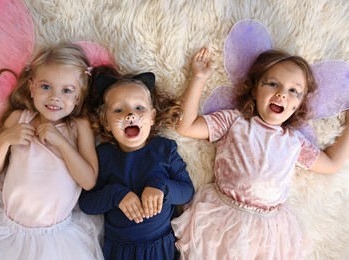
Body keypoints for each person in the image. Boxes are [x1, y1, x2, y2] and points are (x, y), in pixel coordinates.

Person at [171, 48, 349, 259]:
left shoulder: (295, 143)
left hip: (268, 231)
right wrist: (198, 78)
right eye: (273, 84)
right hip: (222, 218)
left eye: (294, 91)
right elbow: (187, 126)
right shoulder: (234, 122)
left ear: (298, 104)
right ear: (255, 89)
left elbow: (331, 163)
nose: (282, 93)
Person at [0, 42, 104, 260]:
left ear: (77, 97)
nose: (55, 97)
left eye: (66, 90)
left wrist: (62, 143)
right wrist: (5, 140)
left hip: (57, 239)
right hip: (7, 231)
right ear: (32, 87)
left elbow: (88, 181)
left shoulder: (78, 127)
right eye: (46, 87)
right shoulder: (19, 119)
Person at [79, 66, 195, 260]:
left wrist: (162, 187)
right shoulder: (103, 155)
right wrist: (116, 194)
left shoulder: (164, 150)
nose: (129, 115)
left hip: (160, 248)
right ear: (106, 122)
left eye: (139, 108)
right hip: (119, 251)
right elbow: (87, 203)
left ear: (152, 117)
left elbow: (187, 192)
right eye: (118, 109)